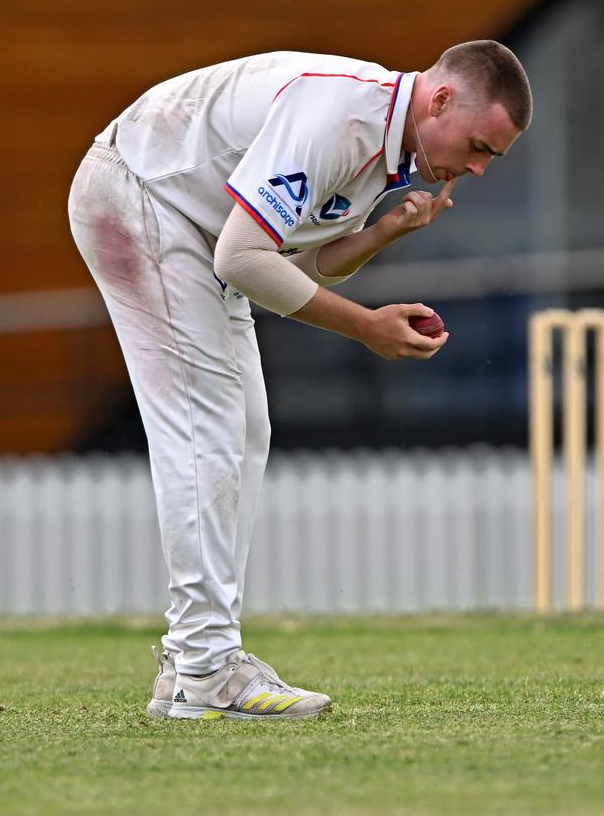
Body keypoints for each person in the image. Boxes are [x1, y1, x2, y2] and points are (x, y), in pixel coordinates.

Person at [68, 41, 532, 721]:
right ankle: (206, 668)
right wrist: (365, 327)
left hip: (193, 229)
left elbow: (301, 261)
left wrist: (387, 231)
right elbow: (245, 256)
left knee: (245, 426)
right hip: (141, 192)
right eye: (481, 145)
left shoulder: (393, 149)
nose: (480, 168)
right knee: (207, 430)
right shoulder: (343, 116)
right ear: (440, 101)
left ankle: (191, 660)